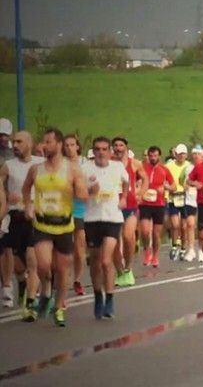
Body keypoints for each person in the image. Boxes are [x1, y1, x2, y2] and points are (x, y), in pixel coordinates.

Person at [22, 128, 88, 326]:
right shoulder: (36, 169)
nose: (44, 145)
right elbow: (26, 189)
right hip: (42, 223)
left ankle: (59, 306)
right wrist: (28, 205)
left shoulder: (72, 169)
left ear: (58, 145)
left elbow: (82, 194)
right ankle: (45, 290)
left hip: (64, 226)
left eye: (48, 142)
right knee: (42, 266)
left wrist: (84, 191)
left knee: (61, 270)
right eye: (43, 142)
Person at [82, 136, 129, 319]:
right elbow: (78, 193)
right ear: (93, 152)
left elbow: (126, 183)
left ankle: (109, 298)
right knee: (94, 260)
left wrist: (124, 197)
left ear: (109, 151)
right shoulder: (86, 169)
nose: (101, 152)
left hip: (112, 217)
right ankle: (97, 296)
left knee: (105, 260)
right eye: (97, 149)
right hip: (92, 218)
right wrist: (88, 193)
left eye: (104, 149)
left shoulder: (117, 167)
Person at [0, 131, 43, 311]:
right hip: (14, 217)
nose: (14, 145)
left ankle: (31, 302)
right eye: (13, 142)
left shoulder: (40, 164)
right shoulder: (7, 166)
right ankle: (24, 283)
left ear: (29, 143)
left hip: (35, 217)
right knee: (17, 265)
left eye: (19, 142)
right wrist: (7, 197)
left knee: (33, 260)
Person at [112, 137, 148, 286]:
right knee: (113, 241)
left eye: (121, 145)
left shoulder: (135, 163)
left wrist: (141, 193)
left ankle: (128, 268)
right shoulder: (110, 163)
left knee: (128, 236)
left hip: (131, 205)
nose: (118, 148)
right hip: (112, 207)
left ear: (126, 147)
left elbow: (145, 179)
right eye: (115, 145)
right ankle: (119, 271)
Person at [139, 146, 174, 268]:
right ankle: (146, 251)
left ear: (159, 156)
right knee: (145, 231)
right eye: (151, 155)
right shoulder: (142, 168)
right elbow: (134, 181)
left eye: (155, 155)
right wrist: (139, 188)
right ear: (148, 156)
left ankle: (155, 256)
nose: (153, 158)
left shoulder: (164, 169)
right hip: (144, 204)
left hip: (159, 204)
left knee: (156, 233)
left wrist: (166, 187)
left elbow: (173, 186)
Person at [62, 134, 88, 296]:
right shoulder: (60, 164)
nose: (70, 148)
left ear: (78, 146)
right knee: (63, 250)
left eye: (72, 145)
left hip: (80, 210)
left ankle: (77, 279)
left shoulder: (86, 163)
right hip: (62, 210)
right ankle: (62, 279)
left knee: (79, 248)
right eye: (66, 145)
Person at [165, 144, 191, 261]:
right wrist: (167, 191)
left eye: (183, 154)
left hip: (186, 198)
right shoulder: (169, 166)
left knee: (184, 226)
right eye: (179, 154)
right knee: (175, 225)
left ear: (186, 155)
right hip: (173, 197)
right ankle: (175, 245)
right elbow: (164, 180)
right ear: (175, 154)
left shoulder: (189, 166)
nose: (181, 156)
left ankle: (184, 248)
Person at [182, 145, 203, 262]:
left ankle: (201, 249)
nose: (196, 156)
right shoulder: (188, 168)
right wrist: (188, 185)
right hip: (190, 200)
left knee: (202, 228)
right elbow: (184, 183)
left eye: (198, 154)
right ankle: (191, 249)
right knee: (190, 224)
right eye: (194, 154)